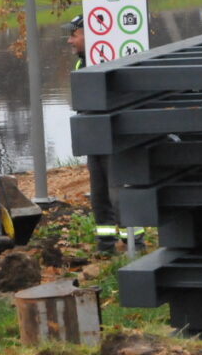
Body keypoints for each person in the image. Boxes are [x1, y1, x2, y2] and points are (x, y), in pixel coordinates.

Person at [68, 14, 120, 254]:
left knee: (117, 193)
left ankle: (134, 242)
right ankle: (106, 245)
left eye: (74, 35)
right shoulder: (82, 62)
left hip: (112, 137)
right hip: (93, 137)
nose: (70, 41)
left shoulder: (109, 57)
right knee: (99, 196)